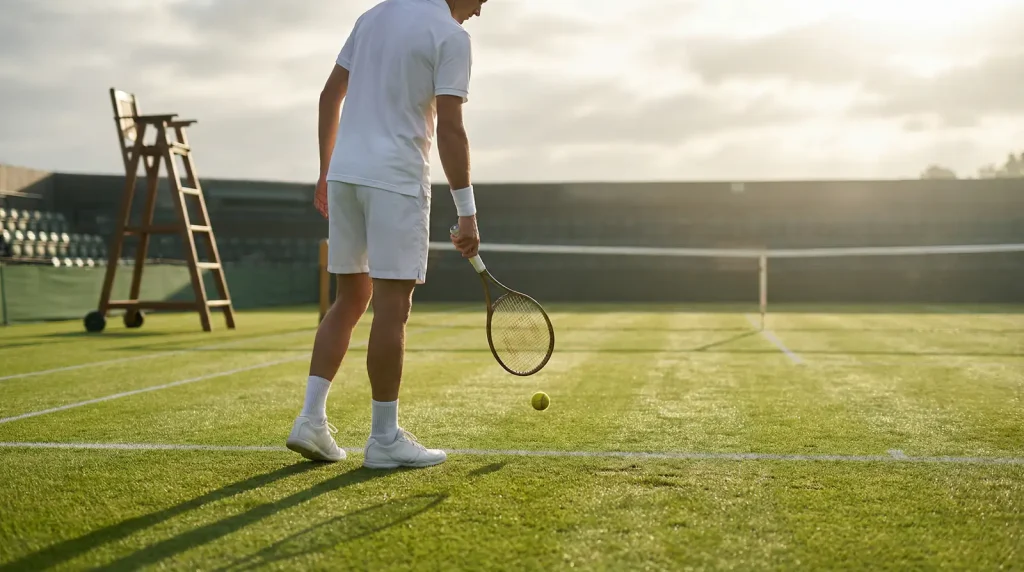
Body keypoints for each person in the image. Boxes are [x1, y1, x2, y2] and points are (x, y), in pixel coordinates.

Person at [285, 0, 486, 469]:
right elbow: (452, 130)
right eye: (481, 0)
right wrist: (468, 214)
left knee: (349, 298)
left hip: (346, 176)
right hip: (395, 178)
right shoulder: (451, 37)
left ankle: (310, 420)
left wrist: (325, 171)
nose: (479, 12)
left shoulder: (371, 16)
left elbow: (328, 96)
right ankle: (384, 438)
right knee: (393, 306)